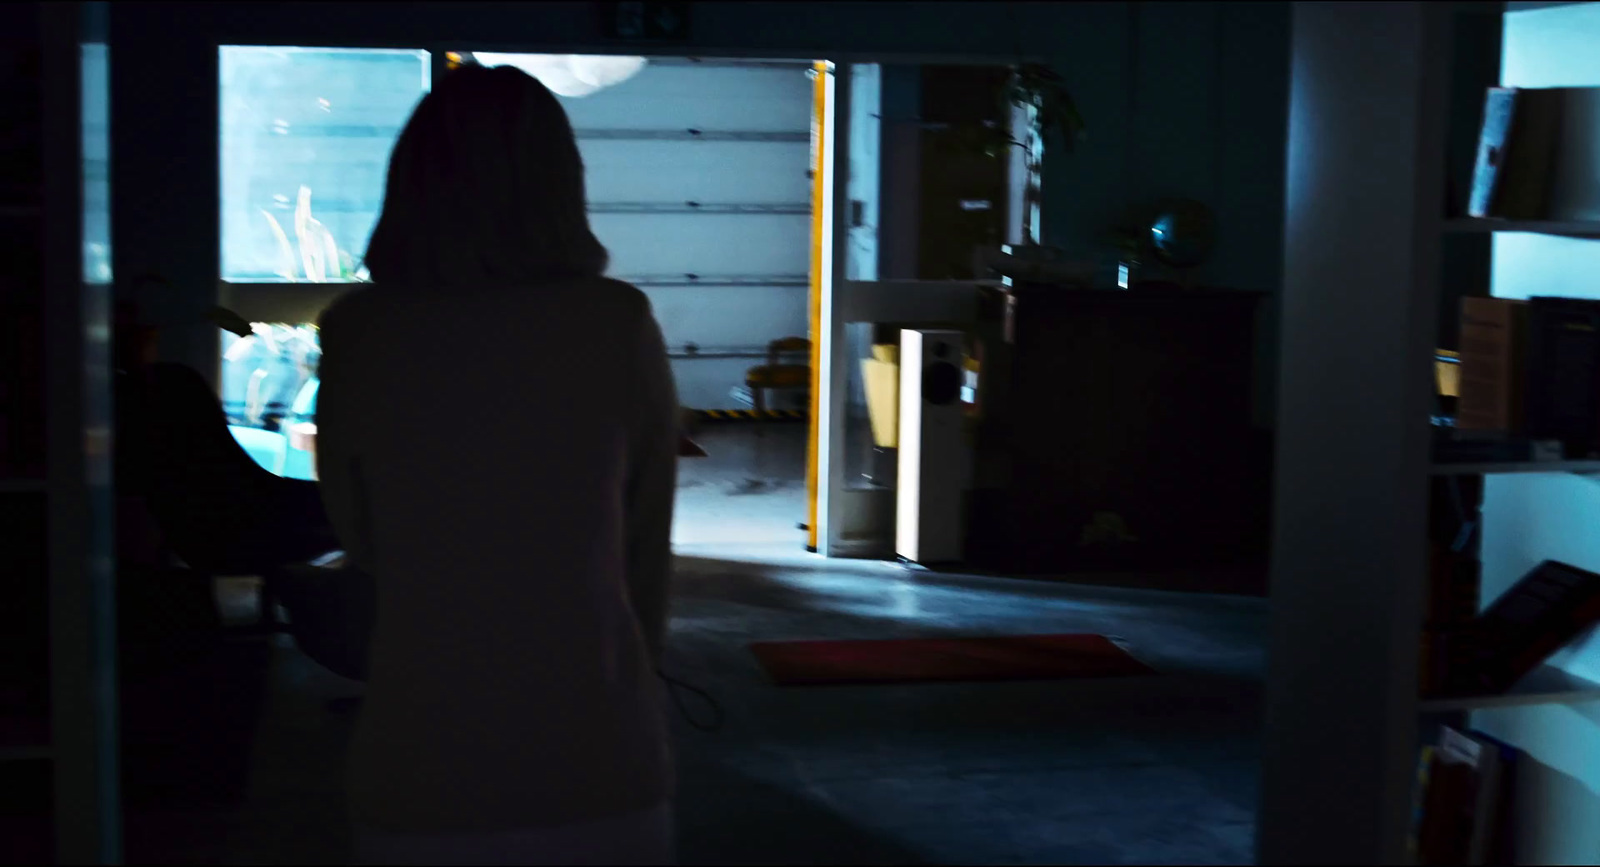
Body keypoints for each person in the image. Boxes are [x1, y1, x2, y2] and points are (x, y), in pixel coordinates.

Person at [314, 63, 679, 866]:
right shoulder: (616, 324)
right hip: (599, 749)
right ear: (562, 182)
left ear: (412, 177)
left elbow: (359, 537)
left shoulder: (359, 333)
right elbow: (645, 548)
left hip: (419, 758)